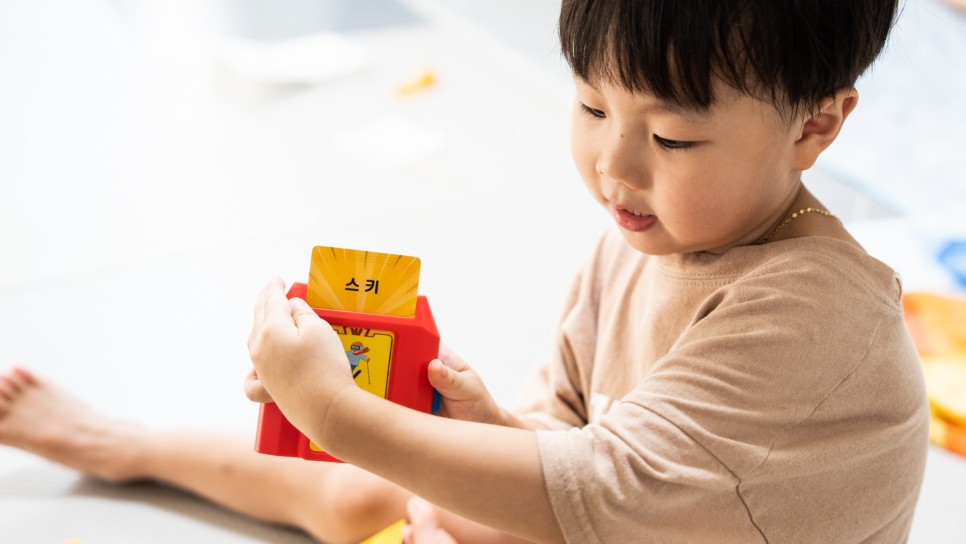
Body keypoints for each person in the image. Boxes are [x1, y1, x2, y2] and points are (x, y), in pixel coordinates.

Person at [2, 0, 927, 542]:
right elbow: (565, 443)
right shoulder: (647, 234)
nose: (615, 165)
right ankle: (121, 444)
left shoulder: (816, 314)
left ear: (817, 124)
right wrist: (479, 422)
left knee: (388, 477)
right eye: (591, 106)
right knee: (382, 486)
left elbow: (599, 488)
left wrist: (335, 408)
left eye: (673, 136)